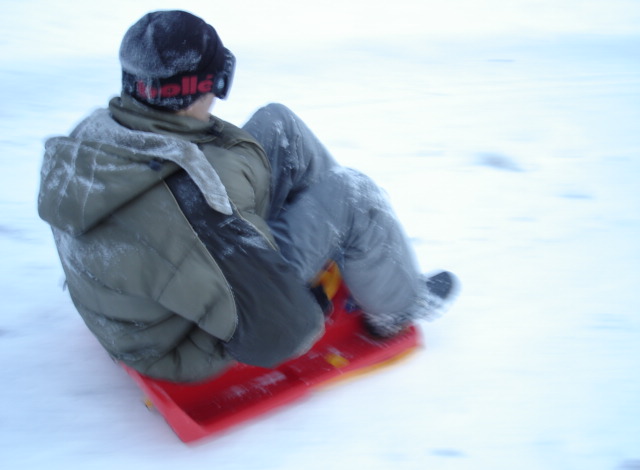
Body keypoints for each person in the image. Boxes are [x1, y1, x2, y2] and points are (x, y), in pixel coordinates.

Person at [38, 10, 457, 383]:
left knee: (279, 124)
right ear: (200, 88)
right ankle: (396, 309)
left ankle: (344, 243)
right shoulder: (197, 207)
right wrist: (301, 303)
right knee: (353, 193)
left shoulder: (99, 132)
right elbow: (283, 331)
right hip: (182, 339)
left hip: (145, 293)